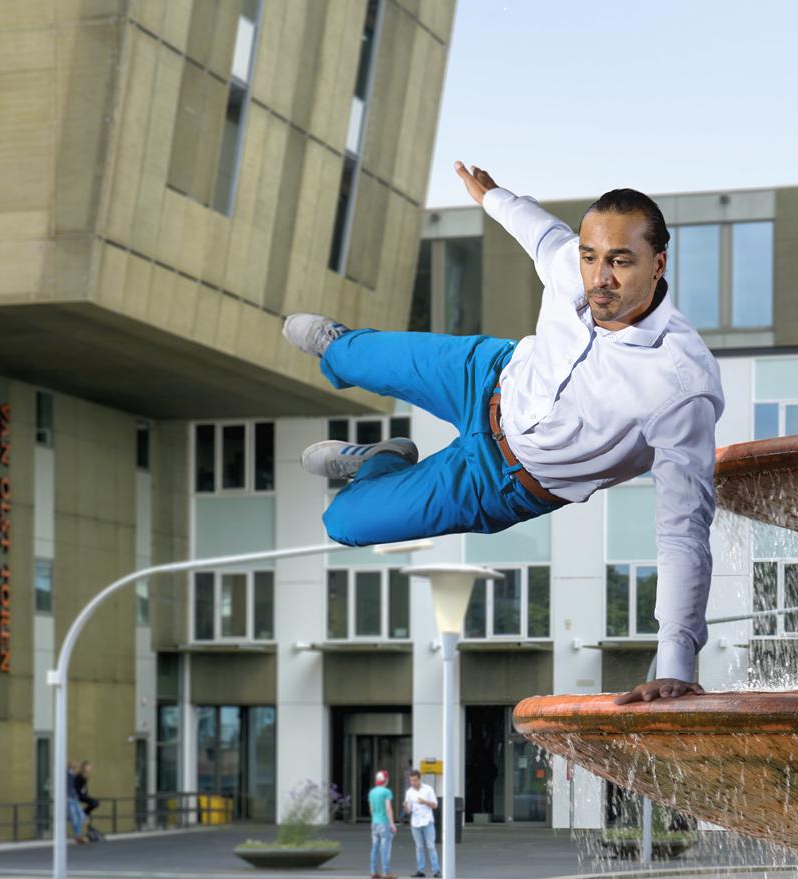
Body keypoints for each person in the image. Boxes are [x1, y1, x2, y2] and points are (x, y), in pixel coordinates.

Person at [282, 163, 723, 705]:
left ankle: (375, 463)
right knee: (345, 352)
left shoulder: (681, 384)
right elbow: (541, 233)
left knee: (343, 522)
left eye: (619, 262)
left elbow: (684, 530)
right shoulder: (572, 265)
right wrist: (492, 196)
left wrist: (677, 660)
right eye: (591, 257)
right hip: (483, 373)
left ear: (658, 264)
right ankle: (341, 349)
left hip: (501, 481)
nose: (599, 278)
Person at [403, 770, 441, 879]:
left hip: (427, 821)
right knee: (419, 847)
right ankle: (421, 870)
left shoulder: (428, 789)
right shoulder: (409, 792)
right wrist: (405, 806)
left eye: (415, 780)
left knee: (430, 846)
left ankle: (436, 870)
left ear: (419, 779)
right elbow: (408, 811)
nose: (413, 782)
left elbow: (435, 805)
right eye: (411, 780)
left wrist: (425, 802)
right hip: (415, 822)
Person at [367, 771, 397, 879]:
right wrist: (392, 823)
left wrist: (373, 820)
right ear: (386, 780)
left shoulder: (372, 792)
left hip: (375, 823)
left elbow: (372, 809)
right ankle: (386, 872)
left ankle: (374, 871)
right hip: (384, 822)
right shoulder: (386, 792)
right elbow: (388, 808)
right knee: (385, 847)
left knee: (375, 847)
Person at [66, 762, 90, 845]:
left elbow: (77, 786)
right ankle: (78, 836)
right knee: (75, 818)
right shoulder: (66, 774)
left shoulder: (74, 776)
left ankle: (79, 835)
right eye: (74, 767)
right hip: (69, 799)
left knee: (81, 816)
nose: (76, 769)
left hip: (74, 798)